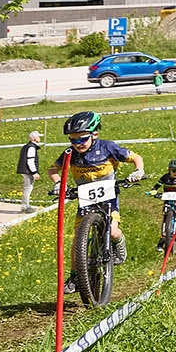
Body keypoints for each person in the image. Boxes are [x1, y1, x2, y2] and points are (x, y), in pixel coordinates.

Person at [48, 111, 145, 285]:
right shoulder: (70, 153)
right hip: (85, 199)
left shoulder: (107, 147)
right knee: (78, 238)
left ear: (95, 135)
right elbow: (52, 169)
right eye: (73, 140)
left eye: (82, 139)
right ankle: (75, 277)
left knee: (113, 231)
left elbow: (136, 157)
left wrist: (138, 171)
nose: (78, 144)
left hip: (108, 198)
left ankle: (118, 244)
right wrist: (58, 184)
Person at [15, 131, 41, 212]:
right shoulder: (31, 147)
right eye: (38, 136)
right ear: (34, 138)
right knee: (28, 188)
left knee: (27, 187)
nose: (39, 138)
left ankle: (26, 205)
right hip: (28, 171)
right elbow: (30, 161)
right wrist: (34, 172)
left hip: (25, 170)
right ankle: (25, 206)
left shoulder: (26, 146)